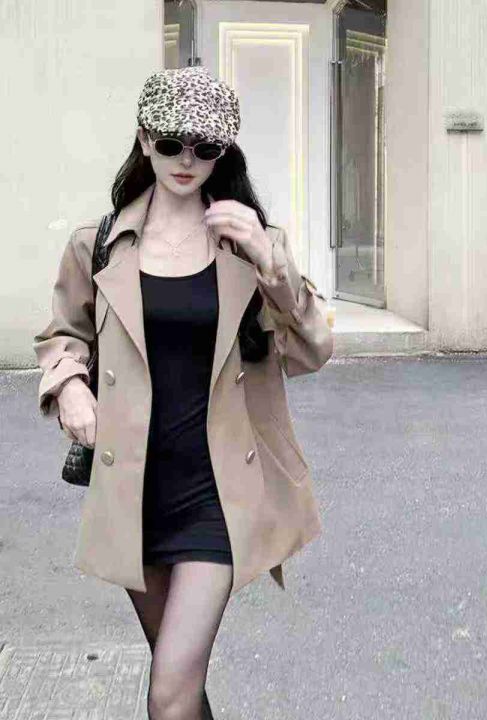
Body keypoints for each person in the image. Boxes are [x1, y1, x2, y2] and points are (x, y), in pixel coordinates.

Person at [33, 66, 333, 720]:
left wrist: (270, 262)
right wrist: (70, 387)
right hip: (134, 490)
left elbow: (313, 348)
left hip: (217, 492)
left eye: (205, 147)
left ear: (224, 151)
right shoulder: (98, 244)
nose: (186, 160)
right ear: (145, 141)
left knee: (168, 695)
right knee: (182, 687)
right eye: (171, 143)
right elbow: (62, 336)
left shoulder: (252, 245)